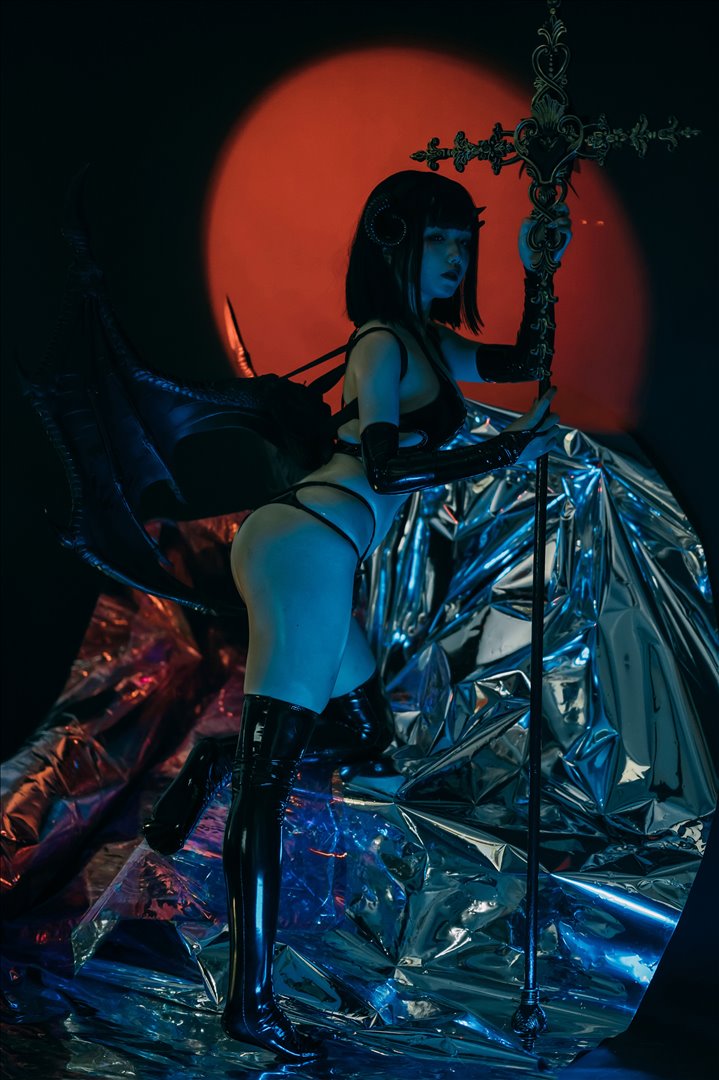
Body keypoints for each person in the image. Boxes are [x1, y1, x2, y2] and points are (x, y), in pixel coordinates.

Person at [150, 169, 570, 1062]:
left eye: (466, 242)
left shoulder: (427, 343)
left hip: (315, 551)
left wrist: (540, 269)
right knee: (269, 785)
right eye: (439, 240)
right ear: (394, 246)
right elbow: (382, 467)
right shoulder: (380, 344)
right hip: (304, 546)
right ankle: (250, 1006)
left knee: (364, 730)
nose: (456, 259)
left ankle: (215, 758)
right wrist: (501, 450)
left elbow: (523, 360)